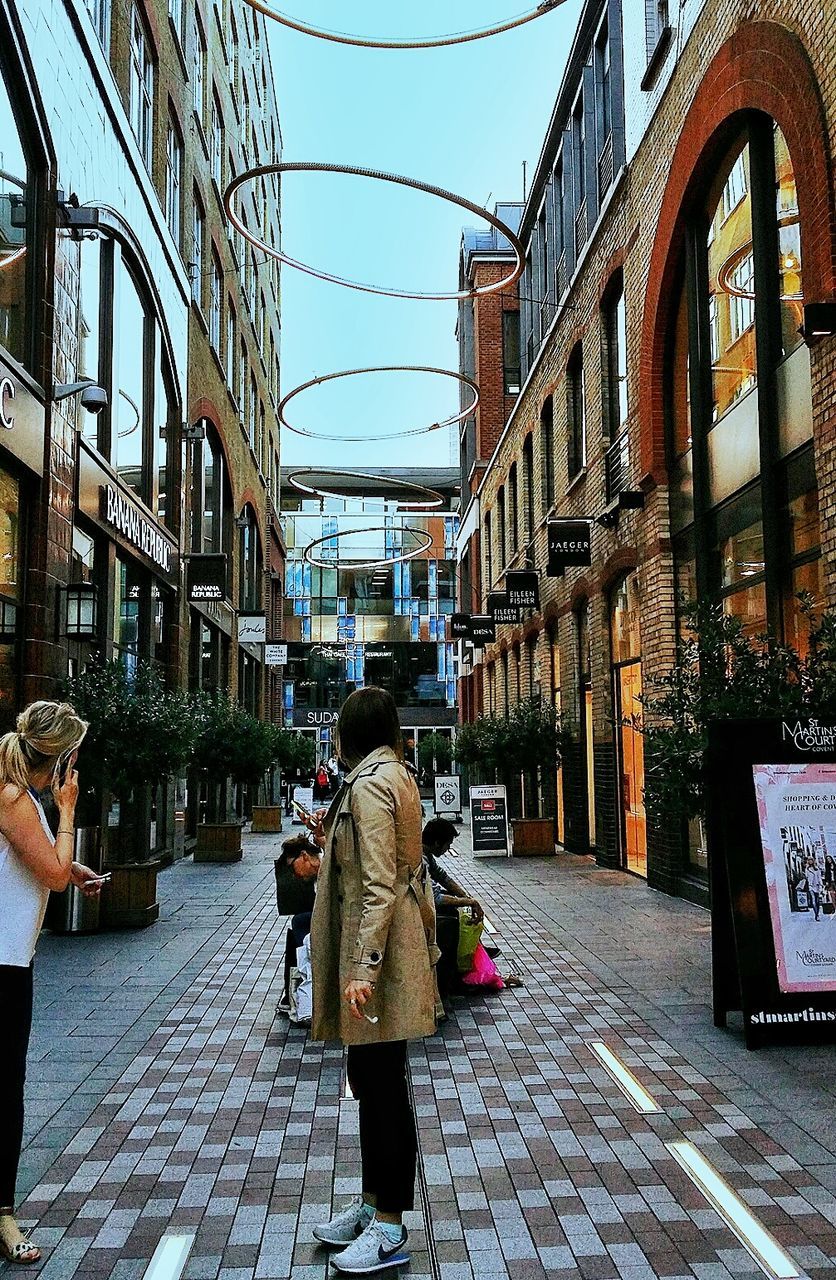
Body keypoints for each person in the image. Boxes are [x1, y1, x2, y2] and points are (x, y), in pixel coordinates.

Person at [310, 688, 438, 1275]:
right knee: (373, 1080)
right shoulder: (393, 774)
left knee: (383, 1087)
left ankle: (389, 1224)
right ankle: (371, 1206)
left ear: (349, 732)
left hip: (379, 964)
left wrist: (362, 968)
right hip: (390, 951)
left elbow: (380, 883)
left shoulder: (367, 785)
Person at [0, 701, 101, 1265]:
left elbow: (40, 866)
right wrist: (67, 814)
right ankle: (3, 1215)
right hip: (3, 964)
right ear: (59, 761)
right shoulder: (16, 797)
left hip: (11, 958)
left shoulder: (15, 792)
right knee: (5, 1092)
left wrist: (69, 866)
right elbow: (53, 876)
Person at [275, 835, 321, 1016]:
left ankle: (297, 986)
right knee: (298, 925)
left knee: (299, 923)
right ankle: (295, 985)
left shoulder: (326, 865)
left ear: (304, 856)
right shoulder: (313, 875)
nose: (294, 874)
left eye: (292, 866)